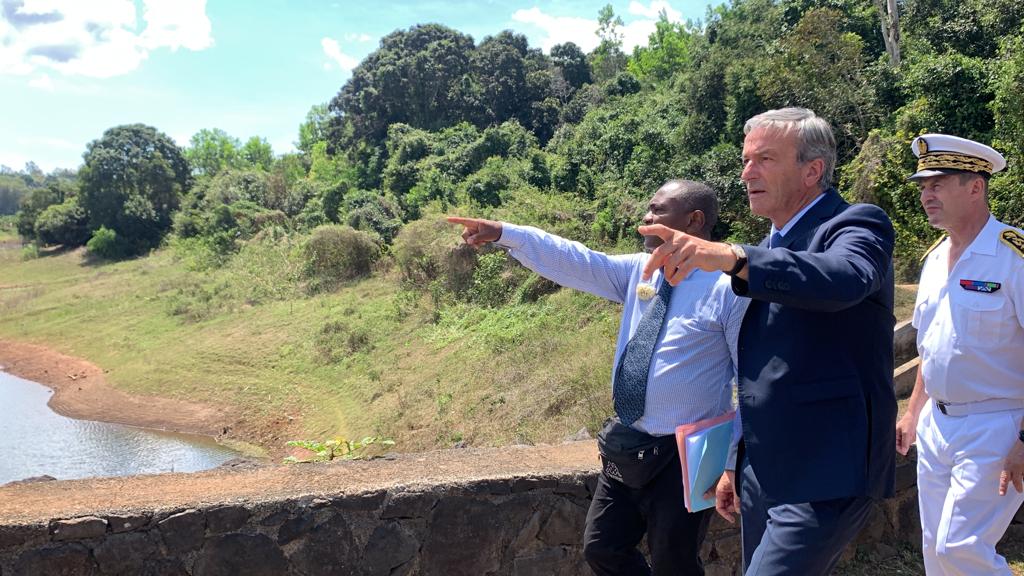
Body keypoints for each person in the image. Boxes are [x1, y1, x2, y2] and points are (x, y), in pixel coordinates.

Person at [639, 107, 897, 574]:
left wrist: (735, 257)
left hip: (828, 470)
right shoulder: (769, 246)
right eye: (745, 160)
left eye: (764, 159)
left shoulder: (856, 225)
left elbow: (843, 278)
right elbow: (758, 373)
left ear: (812, 170)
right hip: (764, 470)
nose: (746, 173)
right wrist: (736, 462)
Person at [448, 179, 747, 576]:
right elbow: (577, 260)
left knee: (674, 562)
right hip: (628, 443)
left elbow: (750, 381)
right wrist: (506, 234)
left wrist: (731, 461)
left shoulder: (729, 289)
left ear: (694, 220)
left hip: (689, 455)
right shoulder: (640, 272)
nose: (646, 216)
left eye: (658, 209)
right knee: (602, 547)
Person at [893, 134, 1024, 575]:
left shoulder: (1014, 256)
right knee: (936, 549)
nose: (927, 195)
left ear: (975, 187)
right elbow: (934, 348)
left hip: (998, 424)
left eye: (939, 184)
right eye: (923, 186)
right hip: (938, 425)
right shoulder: (934, 260)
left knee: (960, 548)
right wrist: (913, 413)